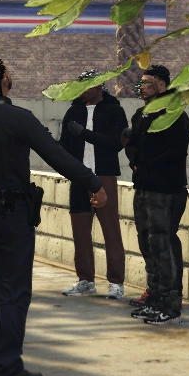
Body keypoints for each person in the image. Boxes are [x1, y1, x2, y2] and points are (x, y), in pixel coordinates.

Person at [0, 56, 106, 376]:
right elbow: (58, 157)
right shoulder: (19, 118)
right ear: (3, 81)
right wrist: (93, 184)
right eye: (8, 72)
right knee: (13, 292)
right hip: (11, 214)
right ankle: (5, 367)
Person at [125, 65, 189, 326]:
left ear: (162, 85)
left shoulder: (174, 114)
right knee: (146, 243)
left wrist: (148, 166)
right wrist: (136, 164)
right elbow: (131, 145)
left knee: (163, 246)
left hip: (165, 190)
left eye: (148, 83)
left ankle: (170, 304)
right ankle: (154, 298)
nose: (142, 88)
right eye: (141, 83)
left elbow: (177, 151)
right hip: (143, 187)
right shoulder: (141, 114)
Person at [59, 70, 128, 300]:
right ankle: (85, 280)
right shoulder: (73, 111)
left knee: (110, 229)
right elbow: (64, 145)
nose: (82, 92)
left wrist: (85, 134)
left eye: (86, 87)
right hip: (79, 178)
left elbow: (116, 144)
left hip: (103, 176)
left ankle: (116, 282)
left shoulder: (114, 111)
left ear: (98, 87)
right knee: (80, 231)